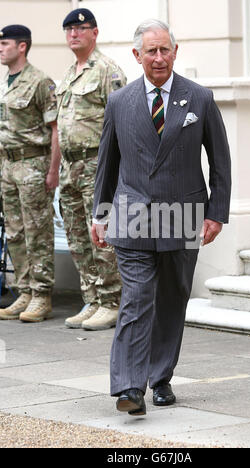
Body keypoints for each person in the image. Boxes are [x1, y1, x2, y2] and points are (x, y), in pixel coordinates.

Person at [92, 19, 231, 415]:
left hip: (183, 214)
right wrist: (100, 215)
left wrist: (216, 213)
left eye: (164, 49)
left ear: (175, 51)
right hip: (131, 216)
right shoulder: (119, 102)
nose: (158, 57)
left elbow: (220, 161)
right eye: (150, 51)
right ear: (137, 55)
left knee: (171, 300)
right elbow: (107, 164)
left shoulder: (199, 98)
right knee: (136, 300)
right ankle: (129, 387)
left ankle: (161, 377)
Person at [57, 8, 126, 331]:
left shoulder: (108, 70)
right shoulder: (71, 73)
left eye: (80, 28)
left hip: (96, 163)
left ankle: (112, 301)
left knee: (100, 232)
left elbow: (123, 124)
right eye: (69, 29)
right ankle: (93, 297)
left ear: (94, 33)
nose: (74, 34)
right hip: (71, 165)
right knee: (77, 235)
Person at [0, 25, 60, 322]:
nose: (0, 48)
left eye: (5, 43)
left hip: (33, 165)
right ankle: (24, 290)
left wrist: (53, 170)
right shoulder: (5, 82)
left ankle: (41, 294)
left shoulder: (39, 81)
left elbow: (55, 129)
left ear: (22, 46)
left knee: (37, 231)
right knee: (15, 232)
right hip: (8, 166)